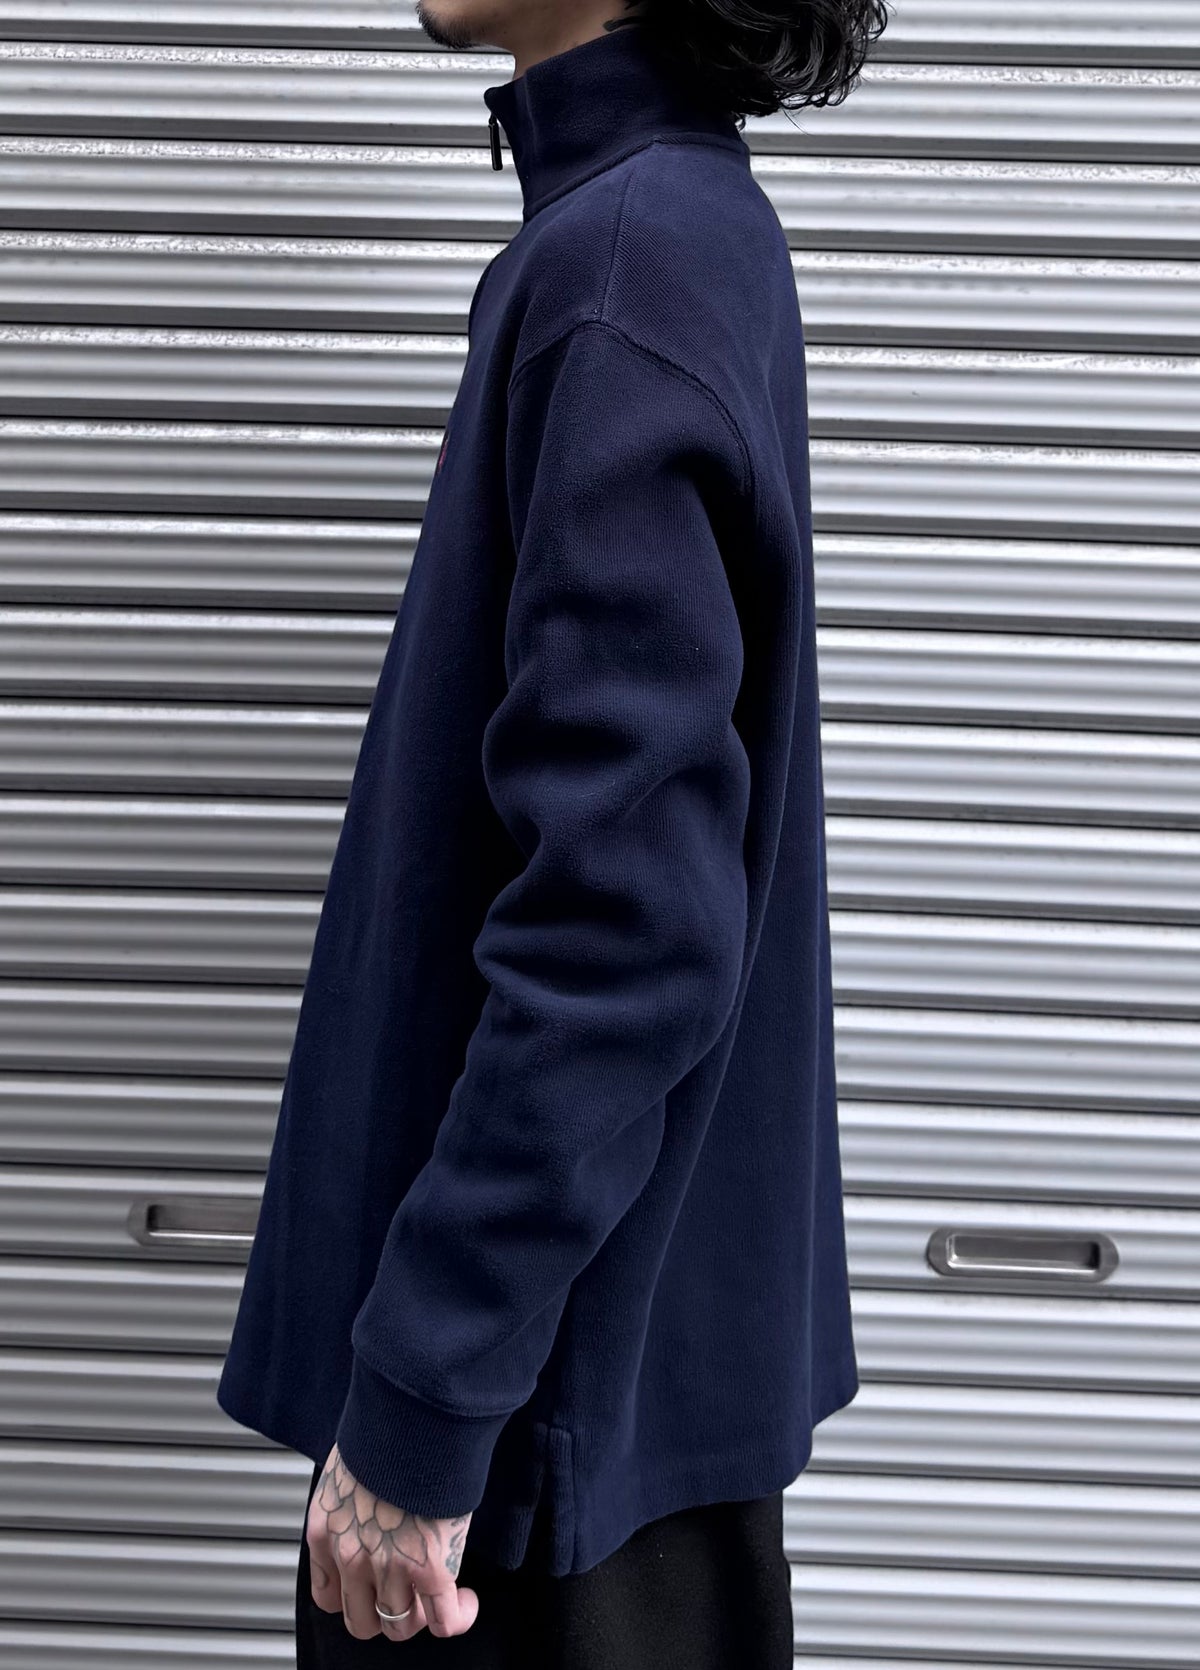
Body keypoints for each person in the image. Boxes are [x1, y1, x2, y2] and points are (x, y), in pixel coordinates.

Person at [216, 1, 887, 1663]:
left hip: (527, 1479)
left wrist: (423, 1396)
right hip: (596, 1417)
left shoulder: (621, 266)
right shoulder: (673, 226)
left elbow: (626, 929)